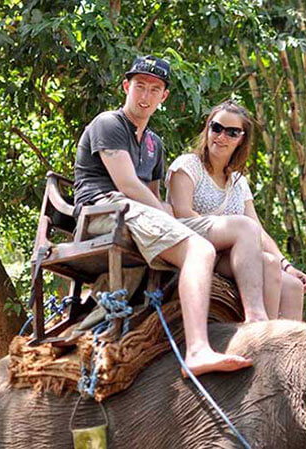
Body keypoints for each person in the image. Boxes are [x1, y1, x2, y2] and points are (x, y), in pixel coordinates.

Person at [73, 56, 252, 376]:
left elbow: (151, 194)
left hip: (134, 212)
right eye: (139, 86)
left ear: (163, 96)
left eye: (154, 89)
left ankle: (255, 322)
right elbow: (128, 185)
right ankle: (197, 351)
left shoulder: (154, 143)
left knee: (218, 244)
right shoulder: (109, 123)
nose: (145, 95)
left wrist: (166, 213)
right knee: (199, 248)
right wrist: (170, 215)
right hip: (103, 210)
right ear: (126, 87)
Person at [166, 100, 306, 320]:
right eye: (217, 128)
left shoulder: (238, 182)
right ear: (208, 128)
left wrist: (287, 265)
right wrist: (229, 234)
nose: (221, 137)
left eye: (232, 132)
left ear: (242, 139)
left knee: (289, 283)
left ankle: (274, 342)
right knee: (243, 226)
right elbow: (182, 213)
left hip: (232, 252)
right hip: (191, 243)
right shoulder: (187, 165)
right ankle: (256, 319)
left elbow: (258, 231)